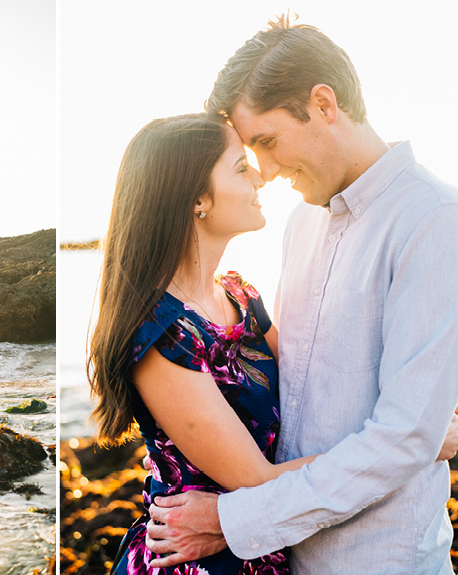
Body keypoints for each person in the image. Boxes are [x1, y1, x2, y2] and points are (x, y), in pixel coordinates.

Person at [144, 16, 458, 574]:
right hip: (288, 556)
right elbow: (295, 390)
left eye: (265, 141)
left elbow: (405, 435)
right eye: (249, 152)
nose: (263, 170)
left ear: (323, 103)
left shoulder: (433, 220)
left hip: (381, 558)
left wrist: (233, 519)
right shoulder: (300, 224)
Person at [89, 113, 322, 574]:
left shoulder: (240, 295)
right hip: (194, 562)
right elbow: (258, 481)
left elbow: (311, 383)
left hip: (261, 546)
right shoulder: (161, 334)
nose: (260, 175)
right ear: (197, 198)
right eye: (240, 167)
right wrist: (404, 443)